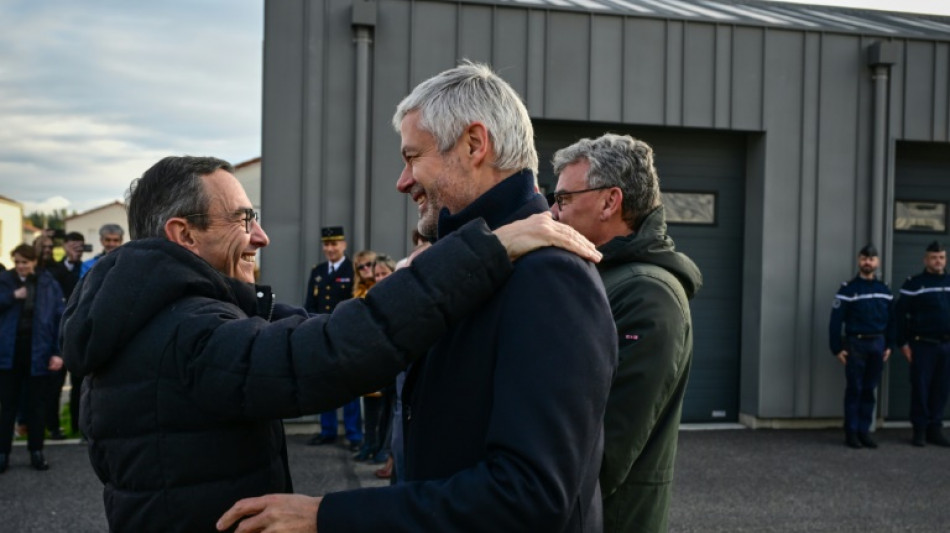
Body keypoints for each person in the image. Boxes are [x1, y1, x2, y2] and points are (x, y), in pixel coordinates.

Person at [61, 155, 599, 532]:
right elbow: (327, 352)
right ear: (184, 235)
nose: (260, 236)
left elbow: (321, 326)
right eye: (244, 219)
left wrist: (416, 280)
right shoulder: (184, 329)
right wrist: (488, 250)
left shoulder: (158, 310)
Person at [219, 61, 617, 532]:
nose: (402, 181)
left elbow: (528, 496)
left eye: (412, 157)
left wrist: (326, 517)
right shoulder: (469, 264)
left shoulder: (549, 276)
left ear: (474, 144)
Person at [548, 133, 702, 532]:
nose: (553, 211)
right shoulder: (601, 275)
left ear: (609, 201)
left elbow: (606, 450)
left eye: (564, 198)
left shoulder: (648, 295)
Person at [0, 244, 65, 472]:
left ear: (34, 262)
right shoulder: (4, 280)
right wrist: (12, 296)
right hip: (8, 352)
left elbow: (59, 319)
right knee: (7, 406)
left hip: (39, 351)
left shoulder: (48, 283)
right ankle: (3, 453)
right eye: (17, 262)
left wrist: (57, 352)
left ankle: (36, 451)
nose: (20, 266)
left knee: (37, 405)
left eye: (25, 262)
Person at [828, 244, 893, 449]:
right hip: (856, 343)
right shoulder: (848, 289)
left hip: (878, 343)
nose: (868, 262)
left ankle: (864, 432)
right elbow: (836, 321)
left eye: (871, 259)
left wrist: (889, 344)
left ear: (877, 262)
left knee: (869, 389)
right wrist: (836, 348)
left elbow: (892, 320)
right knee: (854, 389)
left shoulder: (884, 290)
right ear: (859, 260)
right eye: (864, 259)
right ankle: (852, 433)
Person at [303, 228, 361, 449]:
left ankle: (354, 434)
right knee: (324, 382)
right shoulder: (318, 271)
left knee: (349, 384)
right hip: (322, 334)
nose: (330, 249)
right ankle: (327, 431)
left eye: (334, 244)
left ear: (344, 245)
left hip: (345, 335)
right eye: (326, 244)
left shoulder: (353, 270)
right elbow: (310, 304)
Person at [895, 240, 950, 447]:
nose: (938, 261)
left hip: (946, 345)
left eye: (942, 257)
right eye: (934, 258)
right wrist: (903, 343)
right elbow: (900, 316)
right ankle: (919, 430)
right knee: (921, 388)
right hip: (923, 345)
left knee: (941, 389)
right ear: (925, 260)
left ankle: (935, 429)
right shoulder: (914, 284)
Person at [46, 232, 87, 440]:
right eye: (73, 244)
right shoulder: (55, 269)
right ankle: (53, 427)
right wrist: (70, 261)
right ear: (64, 246)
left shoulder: (87, 268)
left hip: (79, 331)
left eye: (80, 245)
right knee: (55, 384)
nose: (76, 248)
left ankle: (78, 426)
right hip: (58, 332)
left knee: (80, 384)